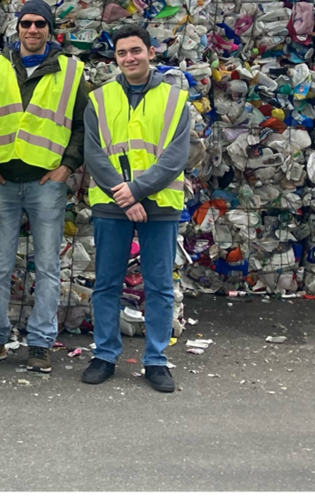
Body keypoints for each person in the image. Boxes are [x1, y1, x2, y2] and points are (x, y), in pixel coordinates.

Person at [0, 0, 88, 373]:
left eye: (40, 24)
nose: (32, 30)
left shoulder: (71, 72)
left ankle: (40, 343)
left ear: (50, 30)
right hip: (1, 182)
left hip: (45, 183)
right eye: (26, 24)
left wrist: (68, 167)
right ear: (17, 28)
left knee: (49, 268)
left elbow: (83, 124)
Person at [80, 25, 190, 394]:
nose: (130, 58)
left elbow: (175, 157)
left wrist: (136, 192)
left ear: (151, 53)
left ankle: (156, 360)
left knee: (159, 286)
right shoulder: (99, 99)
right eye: (123, 53)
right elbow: (93, 154)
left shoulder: (176, 100)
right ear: (115, 58)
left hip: (160, 205)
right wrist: (123, 197)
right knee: (107, 284)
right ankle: (105, 355)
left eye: (136, 51)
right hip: (113, 207)